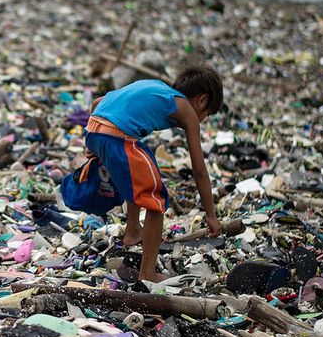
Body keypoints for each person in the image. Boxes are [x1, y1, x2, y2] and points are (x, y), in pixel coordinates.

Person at [82, 63, 224, 282]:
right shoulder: (185, 109)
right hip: (117, 136)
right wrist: (211, 215)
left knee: (142, 172)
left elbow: (97, 102)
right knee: (156, 198)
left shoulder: (158, 89)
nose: (202, 120)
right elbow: (199, 170)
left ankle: (133, 231)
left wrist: (93, 145)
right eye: (206, 114)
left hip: (94, 128)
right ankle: (147, 273)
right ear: (202, 100)